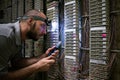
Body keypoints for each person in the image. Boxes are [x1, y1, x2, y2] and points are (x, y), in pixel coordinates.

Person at [0, 9, 59, 80]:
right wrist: (37, 67)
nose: (45, 32)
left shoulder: (18, 37)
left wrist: (42, 57)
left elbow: (17, 62)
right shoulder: (5, 36)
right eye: (43, 26)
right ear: (30, 21)